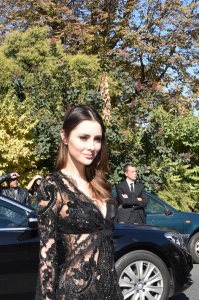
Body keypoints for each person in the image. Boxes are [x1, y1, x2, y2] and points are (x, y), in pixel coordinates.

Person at [35, 105, 123, 300]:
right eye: (83, 137)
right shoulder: (52, 187)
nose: (91, 147)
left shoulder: (101, 184)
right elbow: (47, 257)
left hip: (111, 293)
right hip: (75, 293)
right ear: (64, 137)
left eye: (97, 139)